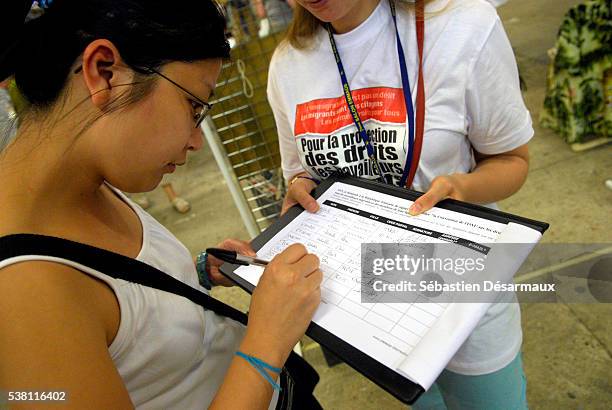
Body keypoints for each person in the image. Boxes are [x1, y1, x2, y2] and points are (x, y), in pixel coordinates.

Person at [0, 1, 322, 409]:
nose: (195, 141)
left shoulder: (88, 180)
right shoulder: (21, 300)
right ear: (105, 72)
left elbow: (125, 310)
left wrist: (197, 271)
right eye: (194, 106)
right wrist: (267, 343)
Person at [268, 0, 532, 408]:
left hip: (464, 305)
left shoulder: (462, 25)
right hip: (374, 314)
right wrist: (301, 186)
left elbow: (512, 160)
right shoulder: (288, 63)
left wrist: (460, 188)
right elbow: (300, 173)